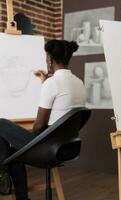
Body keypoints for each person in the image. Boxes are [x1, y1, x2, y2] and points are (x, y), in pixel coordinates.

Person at [0, 40, 86, 200]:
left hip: (48, 148)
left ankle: (2, 171)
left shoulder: (52, 84)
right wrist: (46, 83)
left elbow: (39, 126)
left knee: (1, 124)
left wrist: (28, 140)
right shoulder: (79, 83)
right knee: (14, 154)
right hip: (69, 147)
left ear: (50, 60)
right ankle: (19, 194)